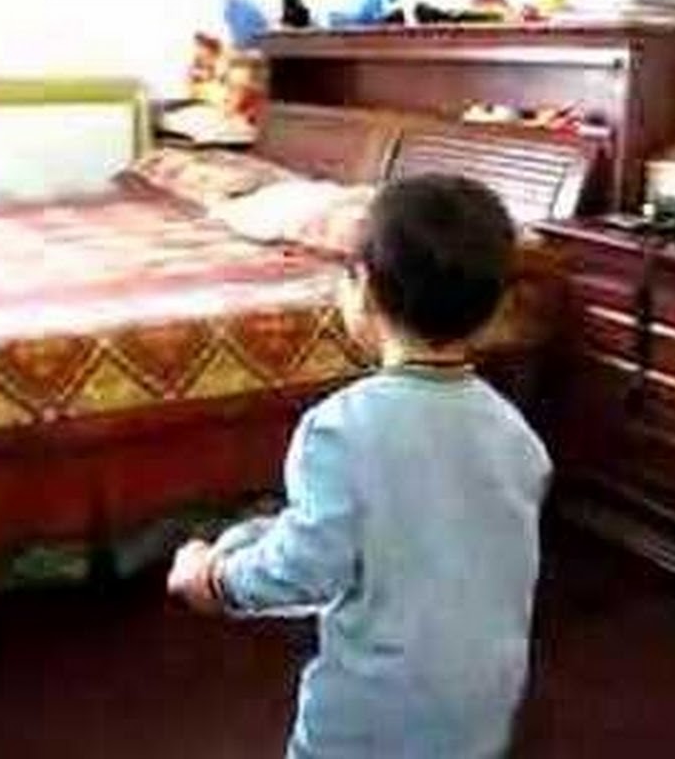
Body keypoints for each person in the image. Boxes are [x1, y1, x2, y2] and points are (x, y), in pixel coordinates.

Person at [167, 173, 552, 758]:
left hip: (370, 721)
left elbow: (304, 569)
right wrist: (254, 536)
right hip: (483, 711)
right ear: (497, 308)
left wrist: (215, 579)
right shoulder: (516, 437)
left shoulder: (339, 430)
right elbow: (423, 530)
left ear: (364, 290)